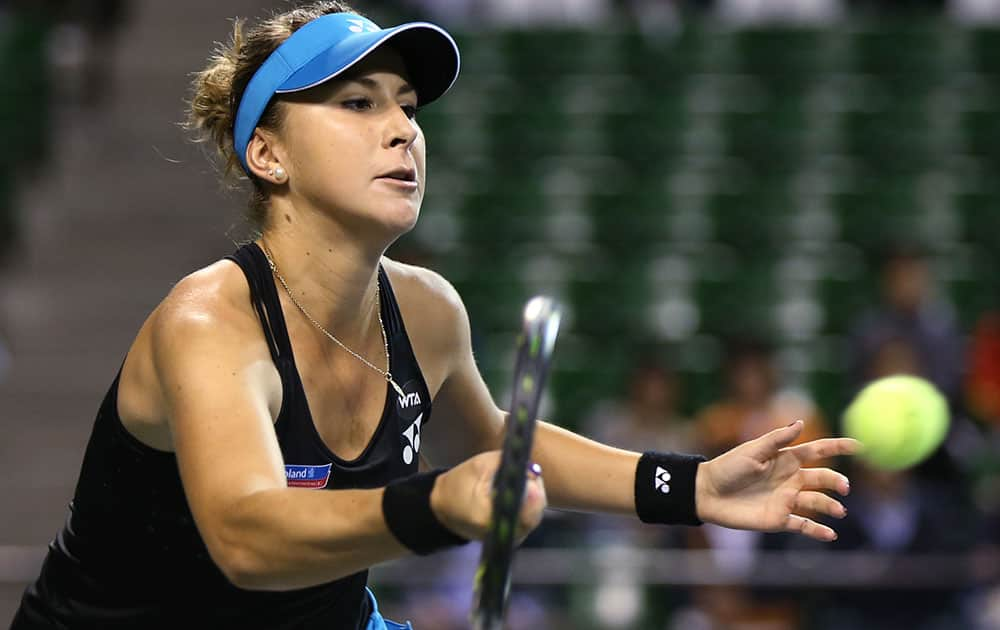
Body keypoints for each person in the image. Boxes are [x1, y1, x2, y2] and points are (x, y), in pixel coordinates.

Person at [10, 3, 858, 629]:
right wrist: (436, 507)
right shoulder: (207, 323)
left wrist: (690, 485)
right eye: (357, 104)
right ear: (266, 153)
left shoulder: (426, 310)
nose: (402, 131)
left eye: (407, 108)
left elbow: (495, 446)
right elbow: (246, 534)